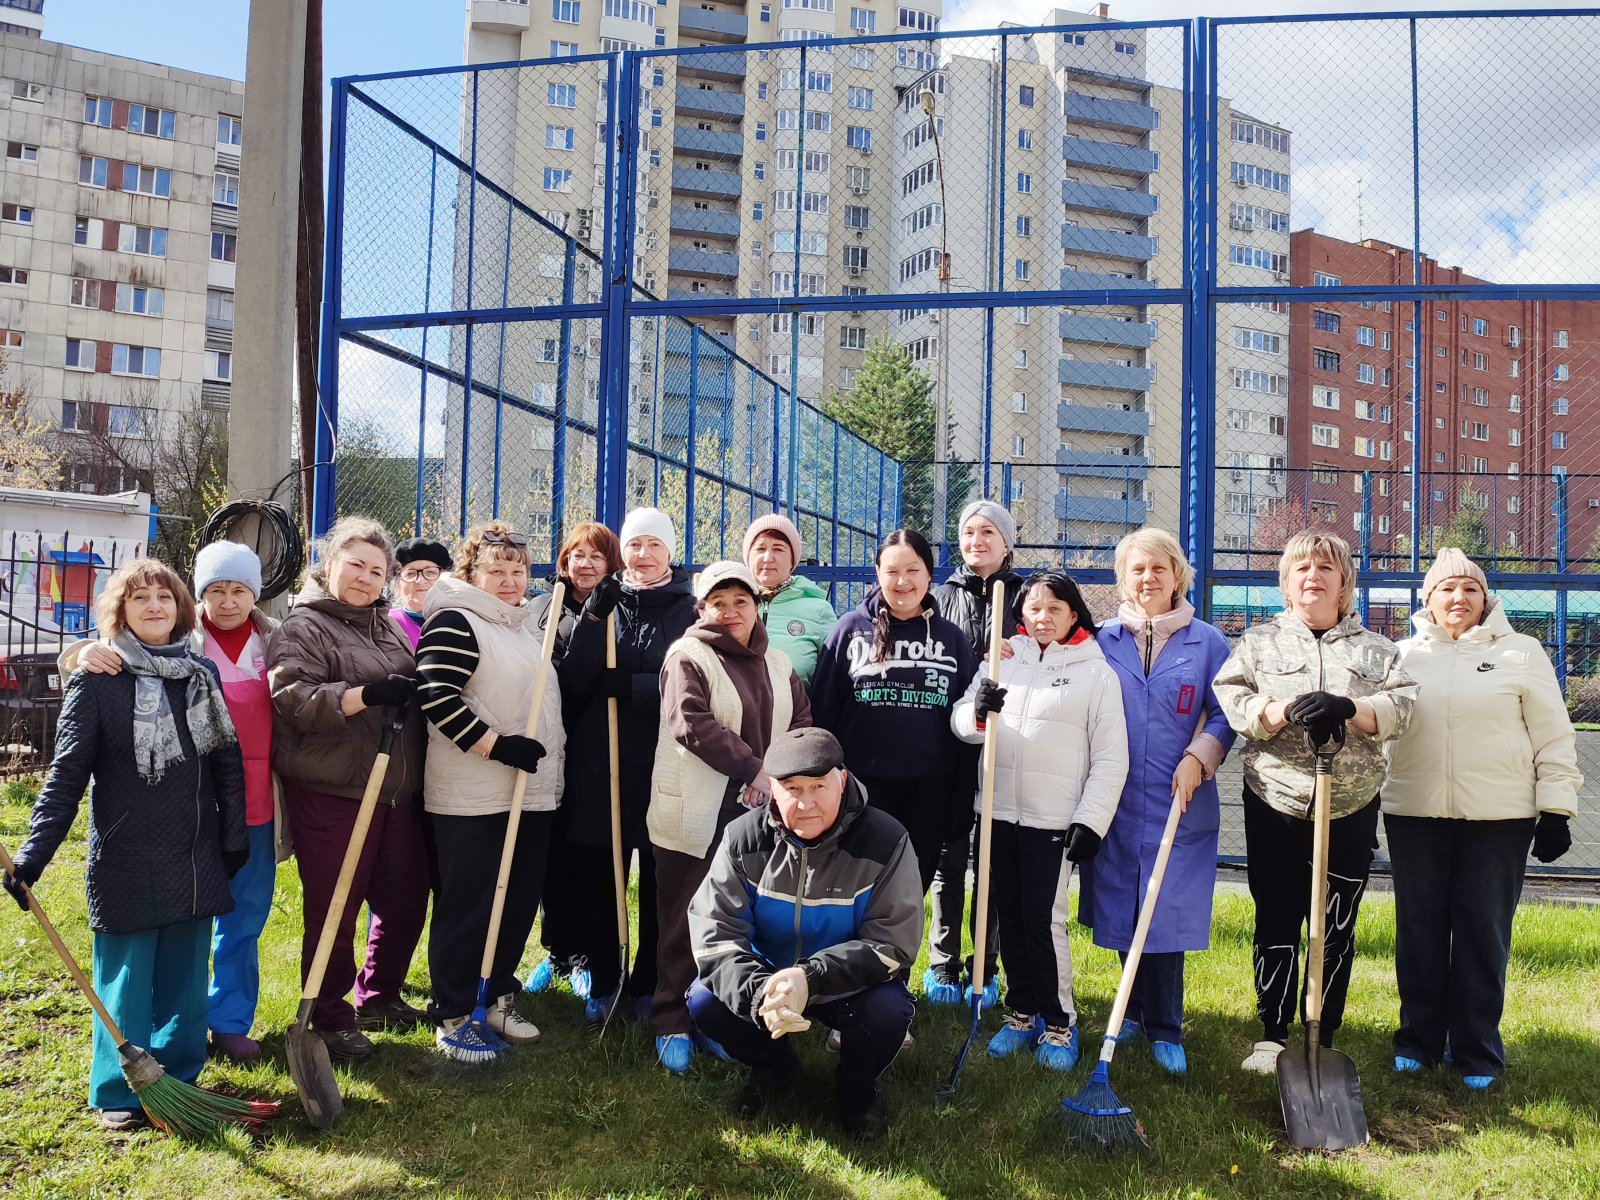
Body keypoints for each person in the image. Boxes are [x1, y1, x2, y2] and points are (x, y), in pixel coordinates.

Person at [3, 559, 246, 1131]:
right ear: (122, 611)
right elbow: (66, 775)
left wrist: (232, 837)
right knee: (128, 975)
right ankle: (119, 1090)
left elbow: (226, 765)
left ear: (182, 608)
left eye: (165, 596)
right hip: (126, 852)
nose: (155, 606)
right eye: (141, 599)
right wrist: (34, 855)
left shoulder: (198, 676)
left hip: (193, 849)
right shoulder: (97, 679)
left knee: (185, 973)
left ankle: (180, 1077)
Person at [59, 542, 286, 1065]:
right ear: (199, 595)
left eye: (240, 589)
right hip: (183, 814)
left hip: (257, 804)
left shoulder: (276, 641)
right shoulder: (181, 638)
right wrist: (79, 652)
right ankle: (162, 1042)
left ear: (256, 594)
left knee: (243, 921)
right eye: (216, 589)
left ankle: (228, 1020)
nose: (228, 600)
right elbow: (108, 655)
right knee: (181, 925)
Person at [1213, 531, 1417, 1075]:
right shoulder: (1259, 643)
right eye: (1301, 569)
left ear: (1344, 582)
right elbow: (1233, 697)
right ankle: (1273, 1031)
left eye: (1325, 569)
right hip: (1276, 800)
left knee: (1334, 924)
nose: (1313, 577)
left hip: (1349, 807)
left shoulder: (1377, 649)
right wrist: (1279, 710)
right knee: (1277, 916)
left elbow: (1401, 706)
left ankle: (1322, 1031)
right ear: (1287, 582)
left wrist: (1349, 706)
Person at [1383, 548, 1582, 1090]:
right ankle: (1418, 1042)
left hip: (1498, 820)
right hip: (1414, 815)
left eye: (1470, 589)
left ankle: (1476, 1051)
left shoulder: (1521, 653)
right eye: (1446, 589)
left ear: (1486, 598)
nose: (1458, 598)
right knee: (1419, 930)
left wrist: (1556, 808)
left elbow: (1552, 733)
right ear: (1427, 598)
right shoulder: (1400, 657)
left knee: (1482, 932)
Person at [686, 728, 922, 1141]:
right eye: (792, 788)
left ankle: (856, 1090)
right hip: (768, 982)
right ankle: (774, 1068)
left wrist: (810, 978)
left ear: (842, 781)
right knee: (705, 999)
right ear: (772, 789)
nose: (806, 802)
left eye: (818, 786)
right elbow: (715, 932)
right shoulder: (742, 838)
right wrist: (761, 991)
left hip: (849, 985)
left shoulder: (887, 840)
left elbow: (894, 941)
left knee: (888, 1012)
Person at [267, 516, 430, 1063]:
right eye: (355, 564)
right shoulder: (303, 627)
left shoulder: (383, 624)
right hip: (334, 789)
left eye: (376, 570)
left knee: (405, 897)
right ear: (329, 564)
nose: (365, 577)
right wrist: (366, 694)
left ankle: (379, 995)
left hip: (393, 789)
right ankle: (329, 1015)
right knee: (336, 906)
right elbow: (293, 700)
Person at [951, 571, 1127, 1071]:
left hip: (1053, 819)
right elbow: (963, 723)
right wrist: (978, 714)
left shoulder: (1096, 673)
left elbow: (1112, 757)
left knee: (1044, 921)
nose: (1043, 617)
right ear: (1020, 613)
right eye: (1033, 608)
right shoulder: (1002, 660)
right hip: (998, 813)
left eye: (1055, 608)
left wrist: (1090, 820)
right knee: (1008, 915)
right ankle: (1021, 1013)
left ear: (1074, 614)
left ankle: (1059, 1022)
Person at [647, 560, 812, 1074]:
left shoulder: (778, 663)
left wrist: (782, 776)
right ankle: (670, 1018)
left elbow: (802, 722)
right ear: (702, 609)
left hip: (760, 815)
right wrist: (757, 770)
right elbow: (690, 724)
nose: (730, 611)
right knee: (682, 919)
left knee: (740, 922)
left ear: (756, 606)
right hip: (697, 811)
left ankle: (720, 1018)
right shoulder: (688, 655)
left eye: (740, 601)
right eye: (718, 603)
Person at [1081, 528, 1234, 1076]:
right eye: (1136, 570)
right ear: (1123, 579)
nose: (1148, 579)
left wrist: (1201, 755)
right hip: (1118, 797)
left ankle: (1167, 1026)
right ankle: (1133, 1012)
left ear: (1177, 577)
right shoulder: (1100, 641)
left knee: (1165, 911)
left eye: (1158, 569)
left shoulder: (1209, 642)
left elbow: (1224, 712)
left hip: (1180, 795)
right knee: (1126, 903)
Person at [415, 521, 564, 1058]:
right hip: (472, 794)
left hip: (530, 792)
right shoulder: (456, 621)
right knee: (471, 903)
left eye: (517, 570)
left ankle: (496, 993)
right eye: (495, 569)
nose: (508, 580)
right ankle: (454, 1011)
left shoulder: (523, 627)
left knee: (517, 900)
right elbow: (436, 695)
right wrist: (497, 747)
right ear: (470, 572)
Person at [559, 507, 697, 1022]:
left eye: (654, 546)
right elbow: (574, 677)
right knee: (601, 875)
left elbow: (694, 682)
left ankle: (650, 981)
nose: (643, 555)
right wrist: (595, 617)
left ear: (669, 552)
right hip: (603, 761)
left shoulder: (688, 610)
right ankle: (603, 976)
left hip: (664, 762)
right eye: (635, 545)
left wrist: (635, 689)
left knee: (662, 881)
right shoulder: (604, 604)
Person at [811, 529, 977, 897]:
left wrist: (961, 798)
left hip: (930, 791)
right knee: (857, 895)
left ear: (929, 574)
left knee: (908, 895)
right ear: (877, 573)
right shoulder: (848, 632)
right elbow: (823, 715)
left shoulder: (952, 639)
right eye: (892, 571)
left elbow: (966, 725)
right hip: (860, 793)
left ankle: (900, 958)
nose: (903, 581)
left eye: (913, 570)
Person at [926, 499, 1026, 1007]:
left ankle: (984, 965)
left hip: (1008, 743)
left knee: (991, 857)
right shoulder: (940, 596)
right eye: (968, 532)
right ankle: (942, 962)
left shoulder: (1027, 596)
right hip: (951, 738)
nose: (977, 541)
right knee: (949, 855)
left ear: (1007, 542)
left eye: (988, 532)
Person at [525, 520, 623, 1000]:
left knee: (590, 859)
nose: (585, 564)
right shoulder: (543, 609)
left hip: (598, 749)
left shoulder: (620, 609)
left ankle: (586, 954)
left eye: (596, 556)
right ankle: (557, 949)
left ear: (611, 564)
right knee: (552, 856)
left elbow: (592, 680)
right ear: (563, 561)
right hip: (549, 747)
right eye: (576, 555)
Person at [741, 513, 838, 687]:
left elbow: (833, 681)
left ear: (793, 558)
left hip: (797, 712)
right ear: (748, 557)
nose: (768, 557)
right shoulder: (726, 605)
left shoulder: (819, 610)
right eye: (760, 549)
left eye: (778, 549)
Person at [388, 538, 452, 652]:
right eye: (410, 574)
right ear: (397, 582)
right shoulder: (387, 624)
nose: (420, 581)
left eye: (430, 572)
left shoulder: (459, 620)